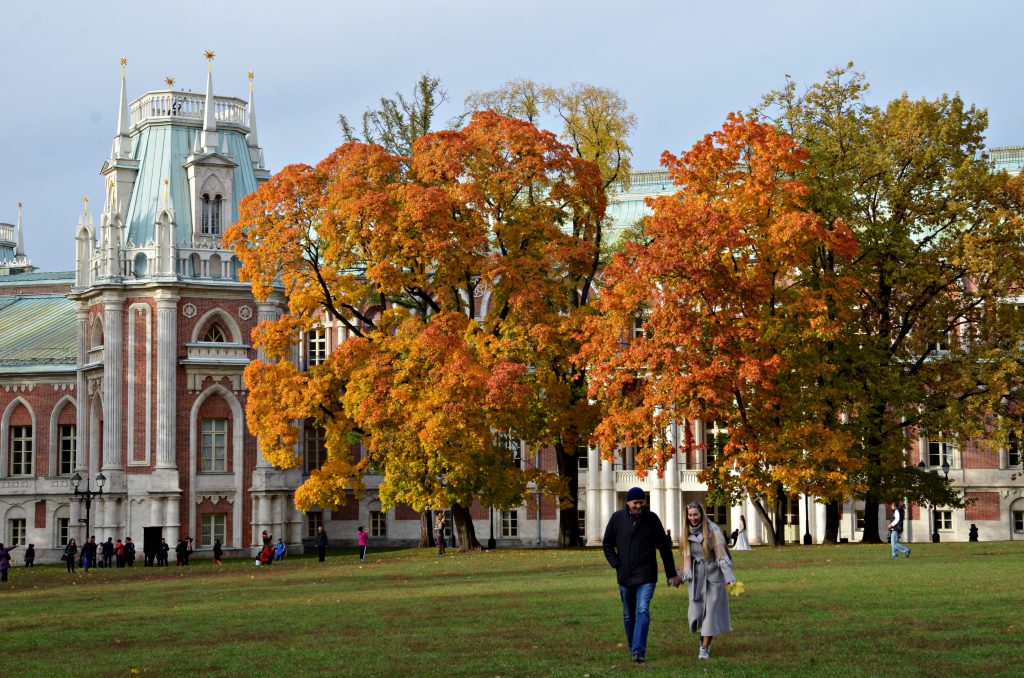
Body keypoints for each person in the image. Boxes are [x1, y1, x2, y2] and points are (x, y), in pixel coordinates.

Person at [602, 487, 680, 664]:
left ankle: (638, 651)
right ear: (628, 503)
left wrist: (671, 574)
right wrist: (615, 563)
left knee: (642, 610)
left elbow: (664, 548)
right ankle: (633, 645)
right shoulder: (617, 519)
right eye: (635, 502)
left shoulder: (652, 519)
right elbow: (607, 544)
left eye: (641, 502)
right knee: (629, 614)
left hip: (646, 574)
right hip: (624, 574)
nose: (638, 506)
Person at [681, 502, 736, 660]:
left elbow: (721, 555)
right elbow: (686, 557)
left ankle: (705, 647)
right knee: (697, 612)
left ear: (701, 514)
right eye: (690, 515)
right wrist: (683, 575)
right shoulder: (685, 531)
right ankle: (702, 637)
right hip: (697, 576)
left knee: (710, 613)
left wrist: (729, 578)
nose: (693, 518)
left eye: (695, 514)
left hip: (713, 576)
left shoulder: (713, 530)